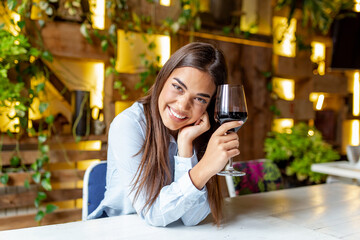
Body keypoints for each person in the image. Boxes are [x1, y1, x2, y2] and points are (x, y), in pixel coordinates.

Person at [88, 42, 243, 226]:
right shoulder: (128, 125)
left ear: (210, 105)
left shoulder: (196, 131)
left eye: (200, 98)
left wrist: (185, 145)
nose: (182, 106)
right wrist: (204, 168)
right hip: (118, 230)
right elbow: (153, 213)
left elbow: (191, 218)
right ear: (163, 78)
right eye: (178, 87)